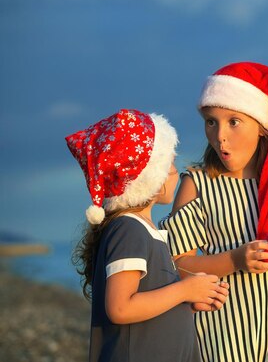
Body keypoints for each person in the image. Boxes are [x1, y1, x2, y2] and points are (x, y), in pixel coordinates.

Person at [161, 62, 268, 362]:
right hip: (219, 340)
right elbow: (177, 265)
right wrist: (236, 259)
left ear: (262, 124)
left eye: (234, 121)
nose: (219, 136)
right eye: (211, 122)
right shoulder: (197, 184)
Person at [67, 109, 229, 362]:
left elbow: (146, 299)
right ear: (149, 175)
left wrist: (189, 299)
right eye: (171, 163)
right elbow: (121, 308)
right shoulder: (128, 230)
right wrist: (184, 291)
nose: (177, 171)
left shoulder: (142, 230)